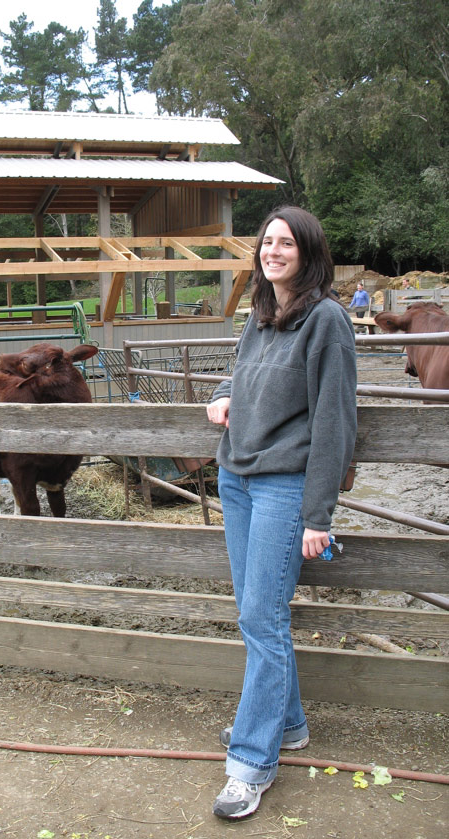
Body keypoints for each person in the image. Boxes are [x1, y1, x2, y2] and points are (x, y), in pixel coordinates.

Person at [206, 206, 357, 820]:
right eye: (266, 242)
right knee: (256, 613)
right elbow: (238, 375)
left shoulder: (327, 320)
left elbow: (335, 422)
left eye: (285, 243)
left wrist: (318, 515)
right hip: (236, 478)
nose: (273, 251)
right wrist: (220, 396)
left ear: (308, 251)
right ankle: (284, 724)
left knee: (261, 619)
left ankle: (250, 762)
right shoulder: (261, 315)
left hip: (283, 487)